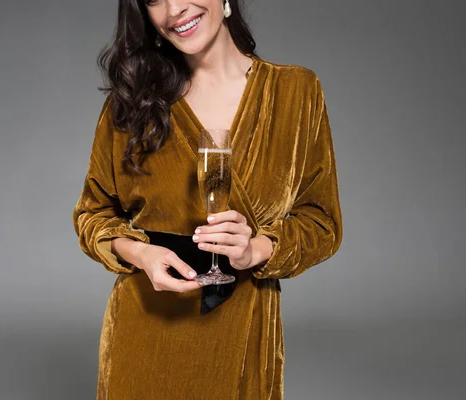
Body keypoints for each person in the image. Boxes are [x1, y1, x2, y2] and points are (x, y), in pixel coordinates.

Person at [72, 0, 343, 398]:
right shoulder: (133, 103)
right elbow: (92, 214)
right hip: (145, 334)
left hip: (242, 332)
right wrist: (140, 254)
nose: (175, 9)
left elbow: (323, 222)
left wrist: (256, 249)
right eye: (154, 0)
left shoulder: (295, 93)